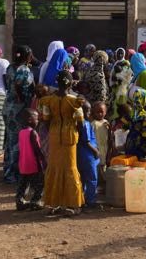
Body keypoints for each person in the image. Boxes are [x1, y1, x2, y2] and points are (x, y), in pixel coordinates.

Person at [39, 70, 84, 216]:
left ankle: (53, 203)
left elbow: (45, 120)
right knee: (70, 168)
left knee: (54, 168)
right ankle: (73, 204)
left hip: (54, 136)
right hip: (69, 136)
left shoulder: (48, 100)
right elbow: (80, 122)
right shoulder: (75, 101)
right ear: (70, 83)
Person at [3, 45, 36, 183]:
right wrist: (21, 98)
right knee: (17, 142)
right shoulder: (24, 70)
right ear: (26, 56)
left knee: (10, 141)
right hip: (18, 109)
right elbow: (18, 85)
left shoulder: (10, 67)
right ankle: (13, 175)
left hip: (8, 106)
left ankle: (7, 171)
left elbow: (8, 82)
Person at [16, 109, 46, 211]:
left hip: (23, 164)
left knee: (23, 185)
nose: (38, 121)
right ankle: (35, 202)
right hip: (33, 164)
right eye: (36, 118)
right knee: (39, 184)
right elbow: (37, 149)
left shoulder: (21, 132)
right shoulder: (33, 133)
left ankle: (20, 202)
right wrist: (43, 159)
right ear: (29, 119)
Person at [77, 100, 99, 208]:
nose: (89, 113)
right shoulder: (85, 124)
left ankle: (82, 200)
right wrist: (95, 151)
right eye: (87, 110)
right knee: (92, 179)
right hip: (88, 155)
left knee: (83, 179)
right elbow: (87, 141)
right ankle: (90, 201)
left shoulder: (77, 123)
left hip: (80, 155)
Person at [91, 102, 110, 188]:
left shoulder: (106, 123)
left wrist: (109, 129)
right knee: (98, 168)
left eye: (101, 112)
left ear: (105, 112)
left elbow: (110, 136)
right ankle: (99, 185)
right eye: (97, 112)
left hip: (105, 148)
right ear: (93, 113)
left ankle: (104, 185)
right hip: (97, 149)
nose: (99, 114)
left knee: (104, 166)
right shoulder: (93, 124)